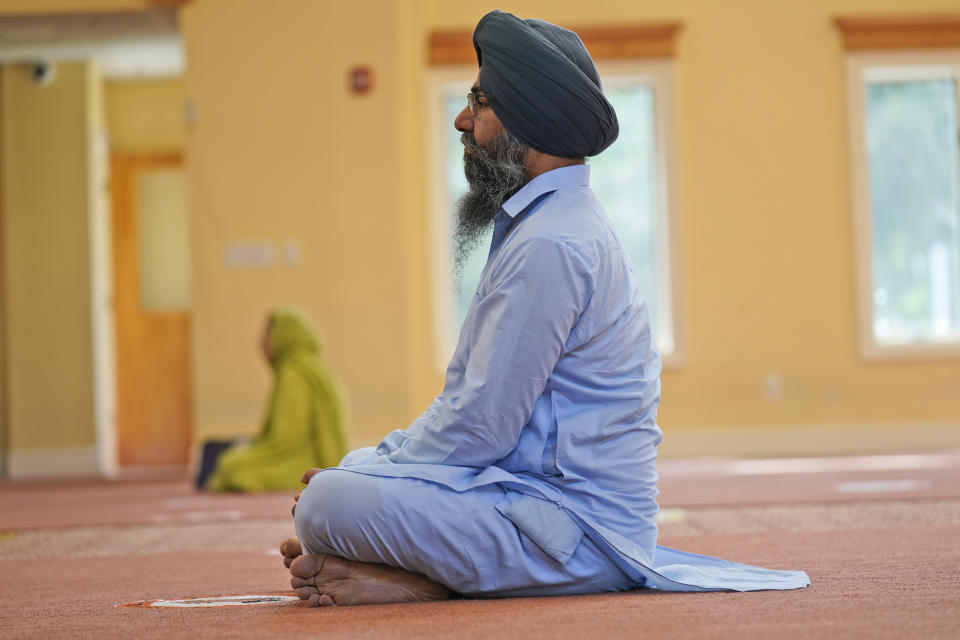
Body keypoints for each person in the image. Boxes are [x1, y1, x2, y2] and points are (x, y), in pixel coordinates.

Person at [280, 10, 810, 606]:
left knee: (328, 505)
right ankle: (407, 569)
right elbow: (475, 416)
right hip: (533, 505)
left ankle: (421, 577)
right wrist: (370, 465)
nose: (461, 120)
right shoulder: (547, 228)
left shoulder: (552, 245)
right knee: (346, 480)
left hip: (577, 535)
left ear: (525, 123)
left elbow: (480, 427)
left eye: (479, 104)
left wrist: (361, 480)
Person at [204, 308, 347, 492]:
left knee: (232, 466)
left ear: (284, 336)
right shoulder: (314, 369)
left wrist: (250, 450)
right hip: (322, 460)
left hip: (302, 461)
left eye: (267, 334)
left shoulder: (293, 374)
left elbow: (286, 440)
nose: (260, 343)